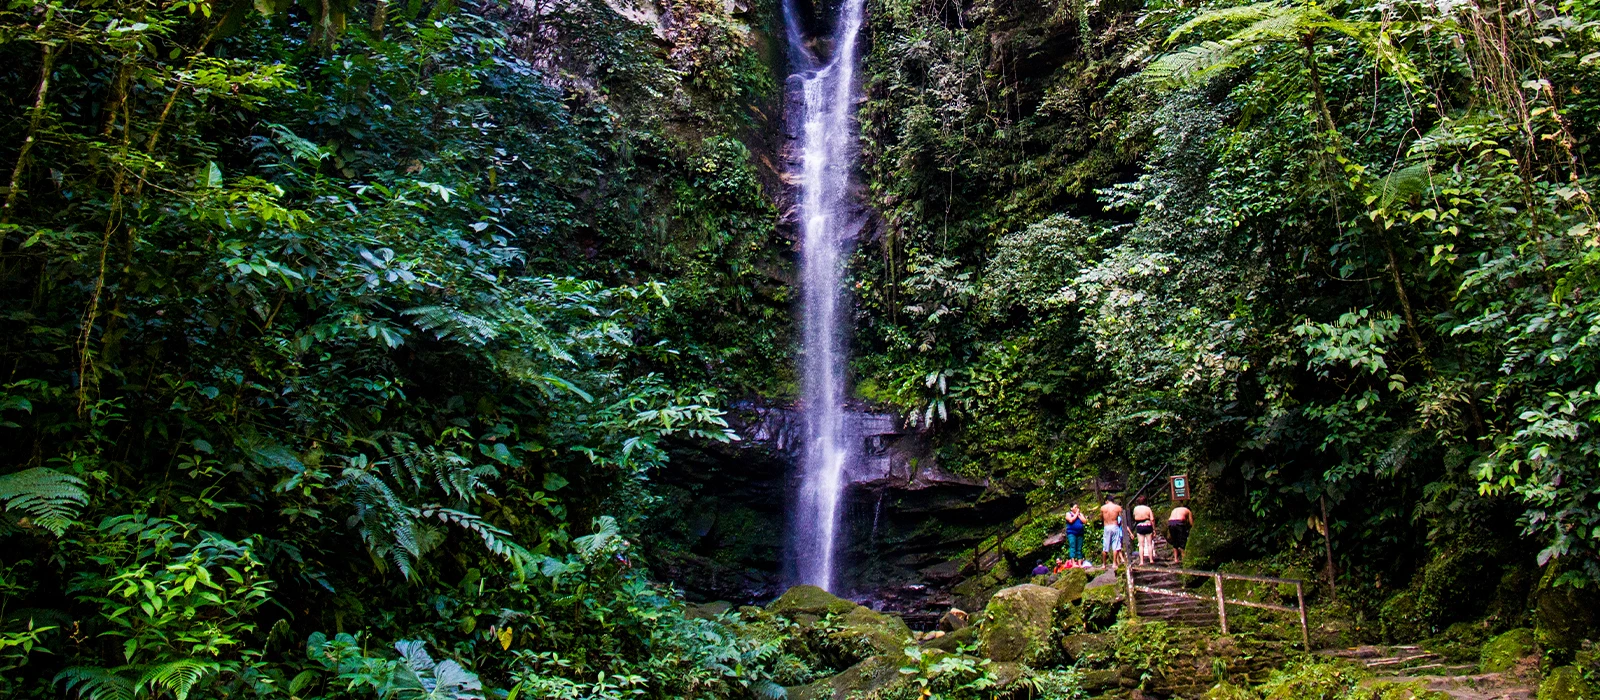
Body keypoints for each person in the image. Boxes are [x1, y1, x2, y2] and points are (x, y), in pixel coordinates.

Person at [1099, 496, 1125, 569]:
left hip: (1107, 526)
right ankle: (1114, 563)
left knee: (1105, 546)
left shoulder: (1103, 508)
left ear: (1107, 500)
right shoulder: (1118, 507)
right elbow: (1122, 519)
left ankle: (1104, 564)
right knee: (1115, 545)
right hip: (1115, 526)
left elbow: (1101, 518)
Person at [1133, 498, 1156, 565]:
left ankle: (1141, 561)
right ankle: (1151, 560)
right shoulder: (1148, 508)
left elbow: (1134, 516)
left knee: (1141, 545)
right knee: (1149, 544)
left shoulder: (1135, 509)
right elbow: (1152, 519)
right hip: (1148, 525)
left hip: (1139, 526)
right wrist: (1154, 529)